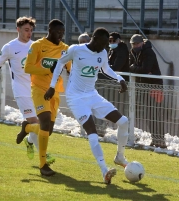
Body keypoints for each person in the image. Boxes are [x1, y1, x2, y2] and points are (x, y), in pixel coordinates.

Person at [45, 27, 129, 184]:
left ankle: (120, 157)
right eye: (103, 43)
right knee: (92, 133)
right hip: (76, 98)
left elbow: (106, 68)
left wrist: (119, 78)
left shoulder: (102, 53)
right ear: (95, 39)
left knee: (123, 121)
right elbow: (60, 63)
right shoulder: (76, 50)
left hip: (92, 95)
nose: (105, 48)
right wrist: (52, 85)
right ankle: (104, 170)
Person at [0, 17, 55, 164]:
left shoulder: (35, 46)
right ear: (18, 29)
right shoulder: (9, 47)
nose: (29, 33)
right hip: (21, 91)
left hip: (37, 90)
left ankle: (28, 140)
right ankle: (45, 154)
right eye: (26, 30)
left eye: (31, 30)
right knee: (36, 122)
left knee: (43, 124)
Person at [17, 19, 71, 176]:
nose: (60, 35)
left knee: (48, 130)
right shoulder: (37, 46)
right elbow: (28, 67)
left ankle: (27, 127)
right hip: (39, 89)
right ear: (49, 30)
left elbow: (70, 69)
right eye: (57, 32)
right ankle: (43, 165)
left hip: (55, 92)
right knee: (45, 122)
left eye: (62, 33)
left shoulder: (65, 49)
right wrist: (48, 69)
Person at [129, 34, 165, 148]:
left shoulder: (148, 52)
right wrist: (137, 69)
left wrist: (134, 68)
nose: (135, 46)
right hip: (145, 86)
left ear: (142, 43)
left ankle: (160, 140)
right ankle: (155, 139)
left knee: (155, 114)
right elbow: (131, 67)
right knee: (149, 114)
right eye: (133, 44)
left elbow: (145, 69)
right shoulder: (134, 53)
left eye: (137, 44)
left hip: (154, 86)